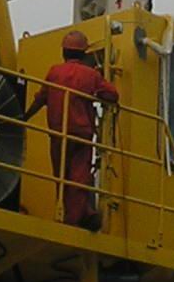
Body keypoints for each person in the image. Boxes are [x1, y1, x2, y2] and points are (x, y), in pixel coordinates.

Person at [37, 32, 118, 229]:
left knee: (61, 176)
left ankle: (67, 212)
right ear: (83, 53)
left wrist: (23, 117)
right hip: (81, 133)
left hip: (58, 133)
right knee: (79, 177)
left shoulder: (54, 72)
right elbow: (113, 94)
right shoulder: (91, 75)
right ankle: (75, 219)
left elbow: (40, 98)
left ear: (64, 52)